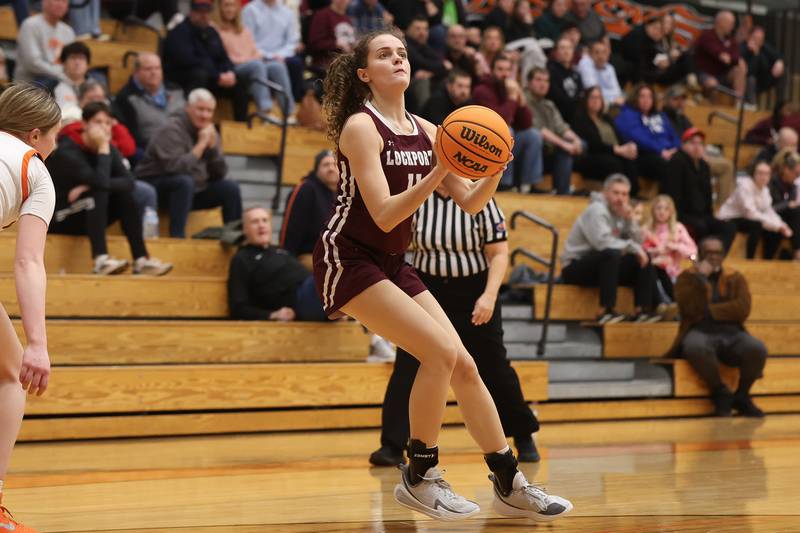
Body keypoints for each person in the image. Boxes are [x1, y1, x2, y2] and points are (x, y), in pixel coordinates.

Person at [314, 27, 572, 521]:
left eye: (403, 53)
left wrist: (497, 164)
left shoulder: (431, 129)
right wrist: (437, 170)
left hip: (390, 262)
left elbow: (473, 202)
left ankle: (510, 481)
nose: (398, 60)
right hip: (347, 257)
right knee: (436, 353)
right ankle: (420, 475)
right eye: (385, 54)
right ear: (365, 73)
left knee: (464, 364)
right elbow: (386, 214)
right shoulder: (360, 127)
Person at [369, 191, 542, 467]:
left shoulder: (480, 198)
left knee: (493, 365)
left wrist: (489, 296)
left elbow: (499, 253)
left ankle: (523, 436)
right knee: (409, 363)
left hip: (474, 291)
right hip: (426, 287)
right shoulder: (420, 195)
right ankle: (392, 446)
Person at [0, 83, 59, 532]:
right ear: (35, 137)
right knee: (9, 372)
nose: (55, 148)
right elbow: (28, 260)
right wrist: (37, 343)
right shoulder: (33, 170)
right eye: (55, 137)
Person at [46, 102, 173, 276]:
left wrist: (92, 183)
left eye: (107, 123)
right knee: (98, 193)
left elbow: (129, 182)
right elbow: (100, 183)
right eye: (98, 122)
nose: (104, 128)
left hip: (90, 212)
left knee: (124, 195)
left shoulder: (108, 146)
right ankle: (100, 260)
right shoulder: (67, 150)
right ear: (84, 124)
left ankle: (141, 260)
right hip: (61, 216)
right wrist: (103, 152)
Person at [666, 236, 767, 418]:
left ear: (723, 255)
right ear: (700, 253)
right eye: (709, 252)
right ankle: (720, 393)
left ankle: (742, 396)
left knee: (757, 348)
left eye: (718, 252)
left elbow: (742, 309)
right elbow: (689, 309)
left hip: (732, 332)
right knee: (694, 347)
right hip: (699, 330)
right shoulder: (687, 278)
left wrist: (709, 311)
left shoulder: (735, 277)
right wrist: (701, 279)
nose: (714, 257)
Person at [135, 89, 243, 238]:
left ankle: (234, 237)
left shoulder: (209, 132)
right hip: (156, 187)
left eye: (209, 111)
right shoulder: (171, 129)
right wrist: (200, 146)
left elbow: (220, 174)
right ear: (188, 108)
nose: (205, 115)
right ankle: (177, 237)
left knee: (230, 188)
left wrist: (211, 151)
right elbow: (174, 168)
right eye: (200, 109)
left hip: (191, 190)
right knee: (184, 182)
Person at [561, 174, 660, 324]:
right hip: (575, 267)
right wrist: (633, 247)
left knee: (642, 257)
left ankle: (643, 309)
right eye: (616, 193)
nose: (620, 198)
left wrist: (630, 220)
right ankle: (605, 310)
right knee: (611, 254)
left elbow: (638, 243)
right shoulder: (596, 210)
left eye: (624, 194)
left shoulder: (620, 211)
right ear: (605, 192)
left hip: (604, 269)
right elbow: (602, 243)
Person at [229, 206, 328, 321]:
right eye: (255, 222)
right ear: (244, 229)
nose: (261, 225)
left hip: (318, 294)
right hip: (301, 300)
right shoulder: (242, 258)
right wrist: (272, 315)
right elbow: (238, 307)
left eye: (265, 220)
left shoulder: (281, 251)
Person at [472, 54, 544, 193]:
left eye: (507, 70)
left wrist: (521, 101)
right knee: (507, 131)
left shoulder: (509, 88)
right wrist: (512, 98)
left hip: (504, 147)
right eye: (500, 69)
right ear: (492, 71)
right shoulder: (481, 90)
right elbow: (500, 122)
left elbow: (526, 124)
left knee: (533, 135)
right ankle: (505, 184)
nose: (504, 74)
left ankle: (527, 185)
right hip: (483, 144)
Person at [216, 0, 290, 123]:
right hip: (234, 68)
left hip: (252, 63)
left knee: (277, 66)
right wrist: (251, 59)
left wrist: (257, 57)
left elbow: (254, 51)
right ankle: (265, 110)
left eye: (232, 5)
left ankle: (288, 112)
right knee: (257, 65)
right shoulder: (216, 30)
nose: (229, 9)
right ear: (219, 8)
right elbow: (226, 58)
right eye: (226, 5)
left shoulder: (244, 29)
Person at [664, 127, 737, 252]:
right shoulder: (676, 162)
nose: (697, 147)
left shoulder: (704, 166)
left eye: (700, 143)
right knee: (701, 227)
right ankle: (701, 258)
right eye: (692, 143)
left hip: (702, 215)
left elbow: (707, 195)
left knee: (729, 227)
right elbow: (673, 195)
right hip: (682, 214)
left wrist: (710, 215)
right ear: (683, 145)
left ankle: (716, 258)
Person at [662, 84, 735, 206]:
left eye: (683, 99)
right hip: (678, 158)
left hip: (695, 156)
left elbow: (696, 137)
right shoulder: (661, 118)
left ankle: (722, 208)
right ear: (667, 100)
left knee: (726, 165)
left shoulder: (683, 118)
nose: (680, 103)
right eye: (676, 99)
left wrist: (702, 152)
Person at [524, 67, 583, 195]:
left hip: (548, 150)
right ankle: (532, 187)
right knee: (562, 147)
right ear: (528, 83)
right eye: (538, 80)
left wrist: (576, 140)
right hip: (530, 152)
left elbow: (561, 127)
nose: (543, 84)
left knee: (580, 144)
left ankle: (562, 192)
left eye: (546, 81)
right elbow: (539, 130)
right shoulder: (524, 101)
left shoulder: (549, 104)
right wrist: (565, 145)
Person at [571, 86, 639, 195]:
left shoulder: (606, 118)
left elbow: (619, 138)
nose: (596, 101)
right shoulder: (580, 119)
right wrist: (616, 150)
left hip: (613, 153)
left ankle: (633, 194)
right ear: (586, 100)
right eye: (592, 97)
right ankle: (616, 194)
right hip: (591, 156)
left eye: (598, 98)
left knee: (630, 160)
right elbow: (592, 144)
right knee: (614, 163)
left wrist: (628, 147)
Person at [162, 0, 238, 98]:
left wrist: (229, 72)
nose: (204, 16)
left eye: (207, 12)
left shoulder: (212, 32)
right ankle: (190, 108)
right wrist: (217, 75)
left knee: (238, 81)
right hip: (181, 75)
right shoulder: (179, 31)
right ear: (191, 12)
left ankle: (242, 114)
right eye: (200, 12)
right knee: (199, 75)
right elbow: (188, 60)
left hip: (212, 75)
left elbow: (223, 57)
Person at [113, 53, 187, 153]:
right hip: (152, 153)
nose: (154, 72)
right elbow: (132, 137)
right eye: (148, 69)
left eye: (157, 68)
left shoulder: (176, 90)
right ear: (136, 72)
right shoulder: (125, 98)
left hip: (184, 147)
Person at [718, 160, 792, 259]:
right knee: (757, 225)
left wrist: (781, 225)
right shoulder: (744, 186)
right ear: (753, 173)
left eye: (766, 174)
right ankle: (750, 259)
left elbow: (768, 211)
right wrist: (776, 226)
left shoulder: (765, 189)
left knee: (774, 230)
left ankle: (768, 259)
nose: (763, 176)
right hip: (730, 217)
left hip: (745, 218)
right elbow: (751, 213)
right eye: (760, 173)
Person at [615, 83, 680, 189]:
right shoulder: (627, 114)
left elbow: (674, 135)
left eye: (649, 96)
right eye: (642, 96)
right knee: (668, 166)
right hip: (644, 155)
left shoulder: (660, 115)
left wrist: (676, 149)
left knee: (688, 162)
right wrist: (661, 151)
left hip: (667, 153)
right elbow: (639, 138)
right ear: (635, 98)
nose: (646, 99)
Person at [242, 0, 304, 109]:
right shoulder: (250, 9)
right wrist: (264, 54)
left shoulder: (287, 12)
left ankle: (291, 110)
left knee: (295, 63)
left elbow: (291, 41)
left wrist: (281, 55)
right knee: (262, 65)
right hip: (256, 54)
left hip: (280, 55)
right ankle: (265, 108)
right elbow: (247, 39)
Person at [280, 150, 338, 259]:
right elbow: (290, 228)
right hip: (309, 255)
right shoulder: (306, 189)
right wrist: (286, 259)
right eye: (326, 165)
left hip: (334, 256)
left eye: (335, 164)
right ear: (316, 170)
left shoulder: (344, 192)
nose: (331, 168)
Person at [642, 194, 697, 301]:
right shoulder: (645, 229)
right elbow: (640, 251)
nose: (662, 212)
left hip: (674, 274)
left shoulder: (678, 228)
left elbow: (693, 252)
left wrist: (676, 247)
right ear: (653, 210)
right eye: (659, 208)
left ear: (671, 211)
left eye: (666, 209)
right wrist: (655, 251)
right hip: (653, 273)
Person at [13, 0, 75, 84]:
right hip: (30, 85)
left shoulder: (69, 31)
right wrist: (60, 73)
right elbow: (32, 63)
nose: (61, 4)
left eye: (64, 1)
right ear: (45, 2)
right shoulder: (30, 25)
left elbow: (71, 61)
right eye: (57, 1)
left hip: (60, 81)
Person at [694, 10, 747, 99]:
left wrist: (727, 57)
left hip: (722, 74)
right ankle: (708, 108)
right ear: (721, 23)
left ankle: (739, 101)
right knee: (712, 83)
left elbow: (735, 57)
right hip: (705, 73)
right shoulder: (706, 35)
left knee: (741, 66)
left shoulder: (731, 40)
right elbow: (716, 53)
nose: (732, 27)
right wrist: (722, 55)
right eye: (730, 23)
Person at [405, 16, 449, 113]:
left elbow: (443, 66)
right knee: (423, 81)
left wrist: (430, 73)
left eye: (425, 29)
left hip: (420, 83)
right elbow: (420, 62)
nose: (422, 32)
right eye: (418, 29)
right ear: (408, 30)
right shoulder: (406, 45)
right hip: (406, 85)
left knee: (448, 81)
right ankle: (424, 118)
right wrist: (438, 67)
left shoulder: (424, 46)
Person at [769, 149, 800, 261]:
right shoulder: (770, 181)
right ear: (786, 170)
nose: (797, 177)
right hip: (767, 218)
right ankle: (798, 251)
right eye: (796, 173)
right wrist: (787, 205)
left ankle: (795, 252)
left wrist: (789, 205)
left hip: (784, 220)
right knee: (797, 211)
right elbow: (767, 208)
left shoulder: (793, 186)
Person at [307, 0, 356, 71]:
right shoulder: (321, 15)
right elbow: (314, 44)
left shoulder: (347, 19)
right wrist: (335, 44)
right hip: (327, 63)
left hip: (347, 62)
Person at [577, 39, 624, 108]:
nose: (601, 56)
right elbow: (592, 91)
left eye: (604, 52)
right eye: (597, 52)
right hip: (588, 103)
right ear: (590, 54)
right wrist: (613, 99)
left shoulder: (610, 68)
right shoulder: (585, 64)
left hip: (610, 103)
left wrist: (613, 99)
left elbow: (617, 91)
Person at [546, 36, 583, 124]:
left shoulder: (575, 74)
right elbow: (558, 99)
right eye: (562, 48)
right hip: (559, 118)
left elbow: (581, 95)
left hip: (576, 116)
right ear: (555, 52)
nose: (566, 52)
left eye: (569, 48)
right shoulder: (550, 71)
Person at [741, 26, 784, 99]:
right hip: (748, 79)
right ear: (749, 37)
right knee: (751, 79)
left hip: (764, 80)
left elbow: (777, 55)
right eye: (755, 38)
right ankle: (751, 103)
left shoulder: (764, 47)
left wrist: (779, 62)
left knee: (782, 72)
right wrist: (756, 54)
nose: (758, 41)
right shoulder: (743, 48)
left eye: (760, 39)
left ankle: (779, 104)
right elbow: (751, 71)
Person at [52, 41, 92, 116]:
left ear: (88, 64)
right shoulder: (51, 85)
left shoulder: (96, 87)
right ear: (63, 63)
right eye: (73, 58)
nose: (77, 62)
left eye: (81, 58)